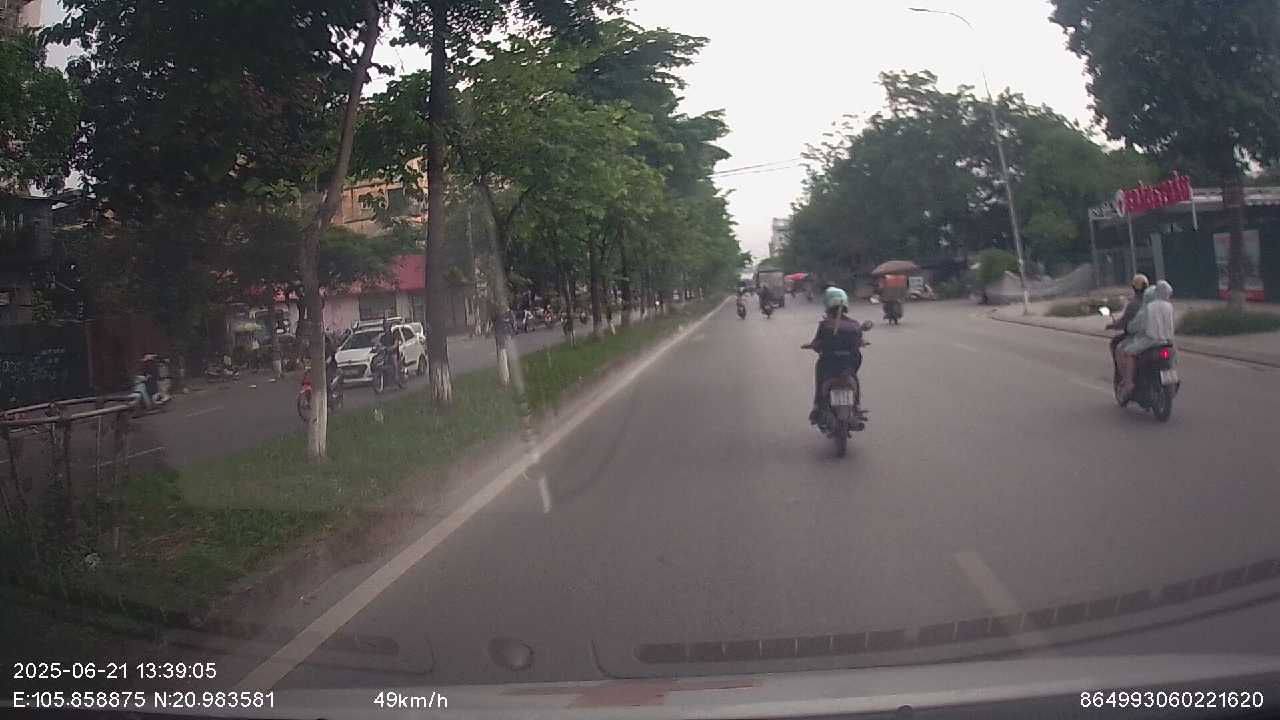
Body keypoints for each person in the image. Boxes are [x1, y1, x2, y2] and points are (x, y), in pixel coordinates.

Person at [802, 287, 868, 425]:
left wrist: (812, 345)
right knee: (853, 376)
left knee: (820, 377)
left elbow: (817, 343)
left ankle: (817, 405)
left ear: (827, 306)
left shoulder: (825, 325)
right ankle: (857, 405)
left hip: (829, 363)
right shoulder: (854, 324)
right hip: (849, 363)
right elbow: (859, 340)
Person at [1116, 280, 1174, 400]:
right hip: (1166, 341)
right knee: (1173, 356)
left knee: (1128, 352)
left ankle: (1129, 382)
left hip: (1150, 341)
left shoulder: (1148, 307)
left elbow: (1136, 326)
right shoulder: (1169, 306)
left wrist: (1129, 327)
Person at [1107, 274, 1151, 357]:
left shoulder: (1133, 304)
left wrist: (1113, 325)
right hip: (1153, 334)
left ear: (1133, 287)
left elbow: (1124, 321)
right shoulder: (1152, 301)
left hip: (1136, 334)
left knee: (1115, 342)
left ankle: (1122, 365)